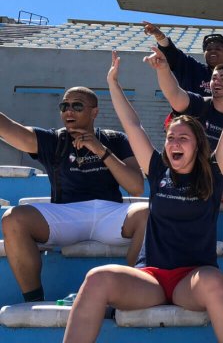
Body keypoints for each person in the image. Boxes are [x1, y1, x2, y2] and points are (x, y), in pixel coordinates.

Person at [63, 49, 223, 342]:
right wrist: (113, 83)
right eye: (171, 138)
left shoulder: (214, 172)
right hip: (150, 279)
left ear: (198, 146)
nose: (174, 143)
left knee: (214, 281)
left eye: (183, 138)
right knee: (97, 278)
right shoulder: (157, 168)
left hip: (192, 279)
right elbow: (132, 125)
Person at [0, 87, 147, 303]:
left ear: (94, 112)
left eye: (77, 106)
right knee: (13, 218)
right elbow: (9, 129)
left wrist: (100, 149)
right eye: (64, 106)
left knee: (147, 214)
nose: (69, 111)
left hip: (109, 213)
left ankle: (130, 295)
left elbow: (136, 187)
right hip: (66, 215)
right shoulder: (53, 140)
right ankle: (33, 301)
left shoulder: (115, 139)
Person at [145, 44, 223, 249]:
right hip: (190, 176)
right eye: (214, 78)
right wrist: (163, 69)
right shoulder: (198, 104)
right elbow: (174, 94)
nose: (216, 82)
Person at [143, 21, 223, 96]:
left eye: (218, 49)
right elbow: (173, 54)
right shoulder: (192, 68)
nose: (213, 51)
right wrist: (159, 35)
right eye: (209, 49)